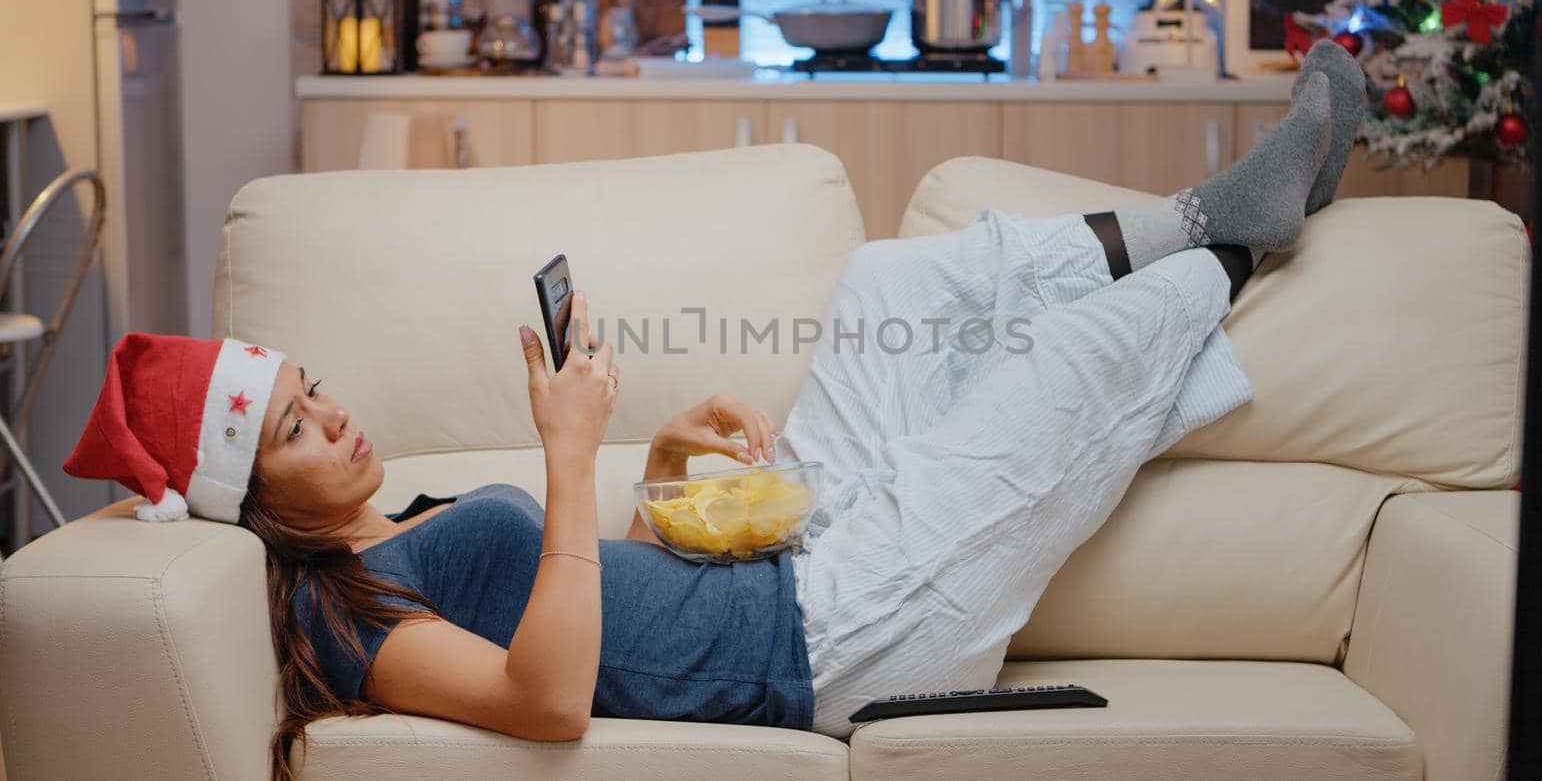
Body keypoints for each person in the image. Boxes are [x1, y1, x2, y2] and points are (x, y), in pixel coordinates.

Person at [62, 45, 1365, 778]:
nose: (336, 418)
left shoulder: (393, 520)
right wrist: (570, 460)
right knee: (1076, 366)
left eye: (314, 389)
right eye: (293, 428)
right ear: (250, 501)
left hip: (790, 556)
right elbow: (553, 700)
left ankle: (1205, 215)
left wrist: (663, 466)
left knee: (891, 278)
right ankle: (1235, 253)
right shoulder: (341, 618)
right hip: (847, 644)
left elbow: (604, 593)